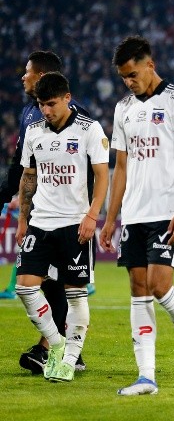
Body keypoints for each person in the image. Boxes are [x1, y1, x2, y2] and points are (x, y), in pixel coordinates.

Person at [100, 35, 174, 396]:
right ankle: (146, 376)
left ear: (150, 64)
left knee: (160, 286)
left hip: (166, 210)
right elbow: (121, 167)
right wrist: (111, 218)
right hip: (133, 213)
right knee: (138, 289)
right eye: (123, 77)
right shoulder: (123, 108)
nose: (128, 82)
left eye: (133, 74)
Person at [15, 72, 109, 382]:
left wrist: (92, 216)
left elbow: (102, 175)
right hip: (41, 222)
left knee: (75, 294)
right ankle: (56, 344)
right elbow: (29, 177)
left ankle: (68, 361)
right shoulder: (34, 132)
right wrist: (23, 220)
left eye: (51, 104)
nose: (46, 110)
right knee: (25, 287)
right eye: (41, 104)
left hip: (74, 223)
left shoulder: (89, 129)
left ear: (67, 98)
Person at [0, 51, 90, 374]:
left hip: (69, 216)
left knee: (63, 284)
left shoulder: (79, 118)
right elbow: (23, 167)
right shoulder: (31, 114)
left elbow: (92, 168)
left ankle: (53, 348)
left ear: (41, 77)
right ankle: (59, 347)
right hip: (41, 212)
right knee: (41, 282)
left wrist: (90, 213)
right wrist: (15, 202)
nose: (23, 77)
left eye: (28, 72)